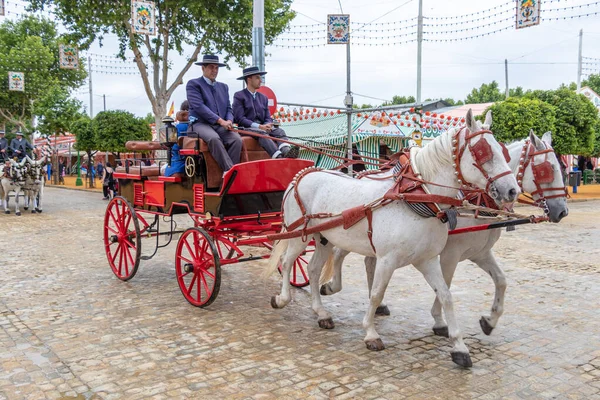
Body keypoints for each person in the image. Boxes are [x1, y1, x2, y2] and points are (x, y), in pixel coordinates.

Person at [186, 54, 242, 173]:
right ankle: (230, 171)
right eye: (211, 67)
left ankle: (228, 174)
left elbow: (228, 108)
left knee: (237, 139)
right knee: (214, 138)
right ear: (203, 68)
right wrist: (221, 121)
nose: (214, 70)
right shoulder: (193, 84)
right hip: (199, 124)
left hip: (219, 125)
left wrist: (229, 121)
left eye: (216, 68)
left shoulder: (224, 87)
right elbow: (199, 107)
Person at [233, 66, 296, 159]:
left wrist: (267, 125)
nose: (260, 80)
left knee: (279, 131)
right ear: (249, 79)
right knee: (262, 134)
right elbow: (240, 119)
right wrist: (259, 126)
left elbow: (268, 117)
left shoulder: (263, 98)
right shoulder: (239, 96)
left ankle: (287, 151)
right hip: (246, 129)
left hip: (263, 128)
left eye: (260, 77)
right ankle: (278, 156)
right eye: (257, 77)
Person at [165, 101, 190, 177]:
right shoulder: (196, 126)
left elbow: (174, 147)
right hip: (190, 163)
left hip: (178, 164)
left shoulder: (176, 128)